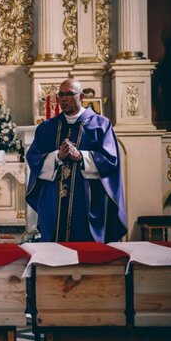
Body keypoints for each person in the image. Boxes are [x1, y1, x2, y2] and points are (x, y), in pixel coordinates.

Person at [25, 79, 127, 243]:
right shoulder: (48, 127)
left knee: (87, 249)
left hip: (88, 200)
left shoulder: (101, 125)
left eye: (70, 94)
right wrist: (57, 157)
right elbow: (33, 157)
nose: (64, 99)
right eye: (61, 95)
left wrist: (81, 157)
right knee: (54, 251)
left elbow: (110, 160)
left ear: (82, 96)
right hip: (54, 200)